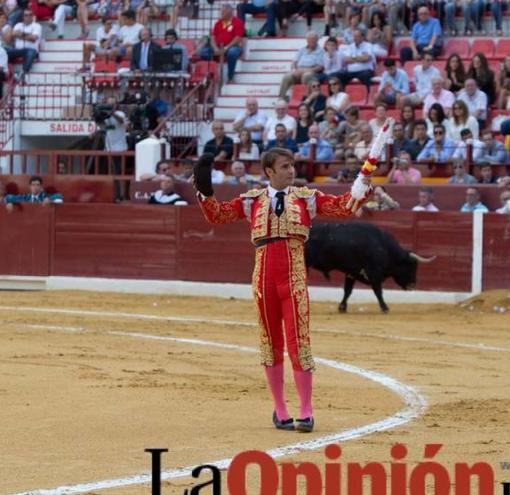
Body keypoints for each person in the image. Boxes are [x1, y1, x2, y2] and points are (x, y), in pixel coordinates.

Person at [194, 148, 371, 433]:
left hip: (294, 278)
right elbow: (217, 215)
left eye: (293, 166)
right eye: (285, 166)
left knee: (298, 342)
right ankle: (280, 410)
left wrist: (360, 188)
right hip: (263, 279)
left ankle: (306, 411)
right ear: (269, 171)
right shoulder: (251, 200)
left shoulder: (306, 198)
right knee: (270, 344)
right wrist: (204, 187)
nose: (292, 171)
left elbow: (344, 206)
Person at [200, 4, 245, 81]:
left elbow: (238, 38)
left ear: (230, 12)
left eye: (223, 12)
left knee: (232, 53)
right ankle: (213, 74)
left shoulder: (238, 22)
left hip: (232, 47)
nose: (221, 13)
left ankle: (230, 76)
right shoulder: (218, 23)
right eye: (221, 11)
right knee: (203, 52)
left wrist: (226, 48)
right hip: (218, 48)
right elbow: (212, 37)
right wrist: (215, 49)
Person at [279, 31, 324, 98]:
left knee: (306, 75)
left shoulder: (321, 51)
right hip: (299, 71)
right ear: (307, 40)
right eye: (309, 40)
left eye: (313, 39)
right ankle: (281, 98)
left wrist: (304, 71)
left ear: (317, 40)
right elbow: (295, 62)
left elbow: (320, 67)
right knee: (287, 77)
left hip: (311, 71)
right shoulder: (302, 49)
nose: (311, 41)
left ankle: (306, 97)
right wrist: (295, 70)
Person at [8, 9, 41, 76]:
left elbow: (34, 38)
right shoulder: (18, 25)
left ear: (33, 16)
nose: (28, 17)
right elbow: (13, 34)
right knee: (3, 52)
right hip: (18, 50)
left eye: (30, 15)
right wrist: (28, 36)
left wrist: (20, 35)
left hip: (31, 50)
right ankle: (8, 72)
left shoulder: (37, 26)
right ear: (23, 17)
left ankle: (23, 72)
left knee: (31, 52)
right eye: (26, 15)